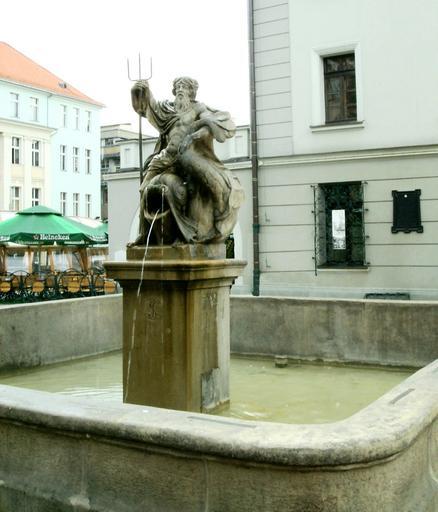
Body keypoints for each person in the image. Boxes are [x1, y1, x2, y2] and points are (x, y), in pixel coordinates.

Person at [130, 77, 244, 245]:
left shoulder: (198, 108)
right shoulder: (168, 110)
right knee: (144, 189)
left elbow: (210, 125)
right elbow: (148, 107)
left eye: (184, 87)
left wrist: (194, 136)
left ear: (192, 92)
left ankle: (188, 233)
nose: (180, 89)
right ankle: (144, 234)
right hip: (165, 157)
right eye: (178, 87)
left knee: (194, 190)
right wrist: (141, 91)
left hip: (186, 157)